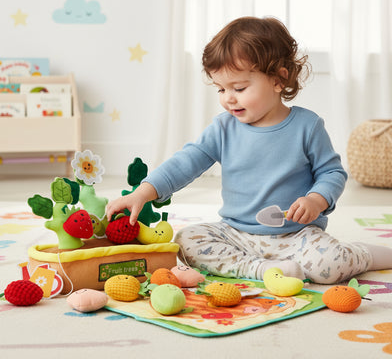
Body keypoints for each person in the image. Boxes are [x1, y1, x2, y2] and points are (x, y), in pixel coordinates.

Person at [106, 16, 392, 284]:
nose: (228, 98)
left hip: (297, 235)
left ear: (279, 79)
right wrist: (142, 193)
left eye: (239, 88)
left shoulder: (307, 126)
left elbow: (332, 172)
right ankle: (259, 269)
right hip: (236, 233)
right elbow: (186, 162)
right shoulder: (223, 128)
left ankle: (363, 254)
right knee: (186, 240)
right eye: (220, 89)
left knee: (329, 267)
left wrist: (316, 200)